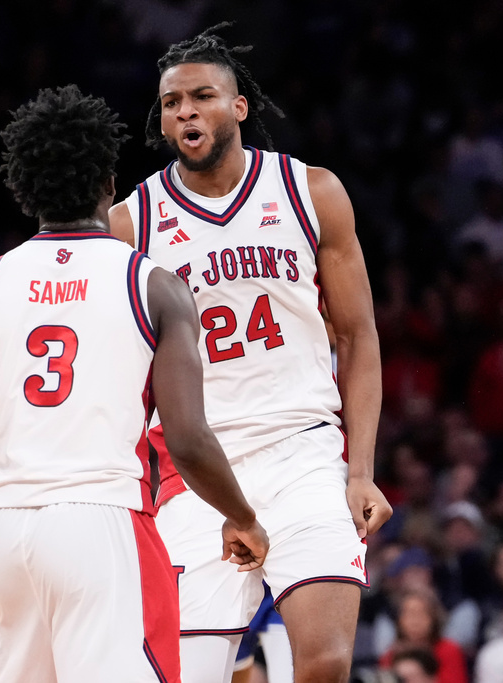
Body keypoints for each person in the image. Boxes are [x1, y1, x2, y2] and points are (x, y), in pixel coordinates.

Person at [0, 85, 269, 683]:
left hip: (8, 528)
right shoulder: (153, 285)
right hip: (103, 520)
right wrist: (241, 515)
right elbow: (189, 438)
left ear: (25, 190)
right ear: (109, 183)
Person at [109, 24, 392, 683]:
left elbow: (357, 337)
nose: (184, 111)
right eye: (172, 102)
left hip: (304, 449)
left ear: (238, 107)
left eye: (201, 95)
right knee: (189, 671)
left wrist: (360, 469)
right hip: (194, 468)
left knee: (324, 660)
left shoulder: (310, 191)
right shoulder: (132, 222)